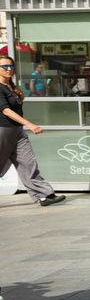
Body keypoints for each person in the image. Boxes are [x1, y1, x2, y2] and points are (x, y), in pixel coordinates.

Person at [0, 56, 65, 207]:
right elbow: (6, 111)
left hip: (17, 131)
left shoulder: (11, 86)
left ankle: (44, 195)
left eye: (11, 66)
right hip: (3, 130)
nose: (9, 69)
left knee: (28, 163)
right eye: (4, 67)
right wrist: (29, 124)